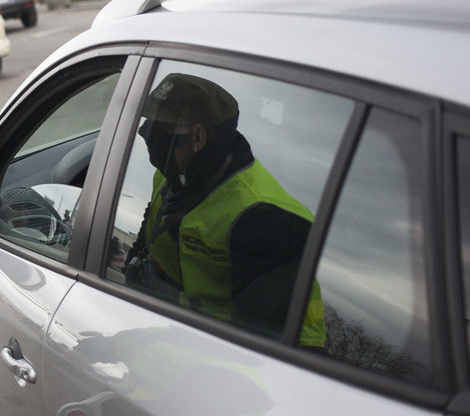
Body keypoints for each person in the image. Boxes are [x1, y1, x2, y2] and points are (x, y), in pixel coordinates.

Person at [123, 73, 325, 347]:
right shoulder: (173, 175)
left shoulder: (263, 218)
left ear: (198, 136)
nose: (146, 132)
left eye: (160, 126)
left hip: (272, 357)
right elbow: (151, 230)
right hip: (191, 328)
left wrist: (135, 344)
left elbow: (256, 342)